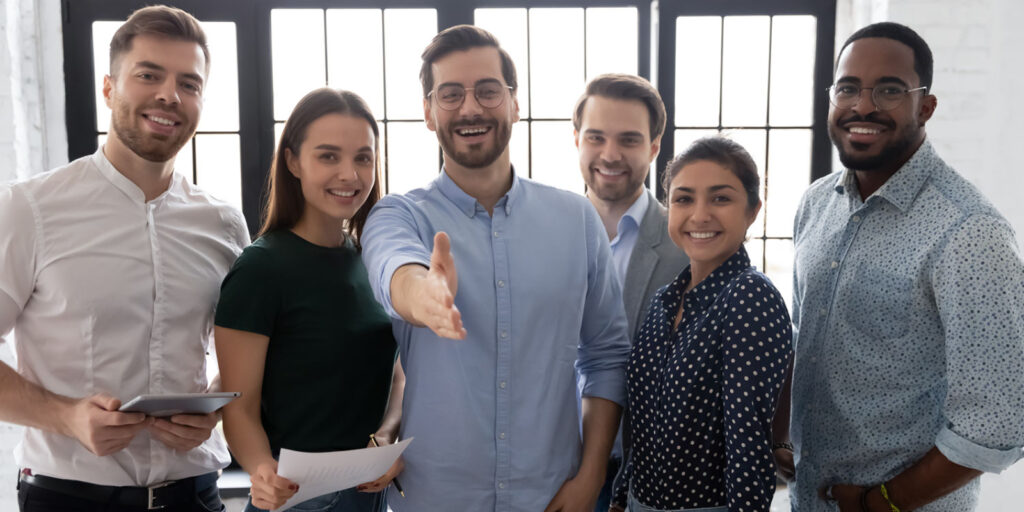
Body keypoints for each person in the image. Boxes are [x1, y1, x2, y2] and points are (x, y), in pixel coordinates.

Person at [360, 25, 631, 512]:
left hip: (552, 496)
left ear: (514, 104)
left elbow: (606, 356)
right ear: (427, 111)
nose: (470, 108)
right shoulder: (399, 213)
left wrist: (591, 476)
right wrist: (426, 295)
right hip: (435, 499)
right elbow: (393, 272)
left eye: (488, 91)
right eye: (450, 94)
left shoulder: (576, 219)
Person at [0, 5, 247, 511]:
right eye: (148, 75)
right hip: (68, 499)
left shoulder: (224, 224)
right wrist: (66, 416)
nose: (169, 95)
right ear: (109, 88)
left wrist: (216, 408)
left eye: (189, 83)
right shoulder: (28, 209)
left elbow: (248, 352)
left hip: (195, 497)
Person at [785, 21, 1024, 511]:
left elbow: (998, 421)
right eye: (848, 88)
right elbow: (801, 335)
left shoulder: (971, 233)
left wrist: (883, 503)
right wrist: (782, 441)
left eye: (889, 90)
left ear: (926, 107)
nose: (863, 105)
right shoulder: (815, 203)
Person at [214, 88, 402, 512]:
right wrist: (263, 470)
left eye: (363, 158)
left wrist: (386, 436)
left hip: (369, 493)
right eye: (328, 156)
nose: (350, 175)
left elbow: (396, 374)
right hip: (295, 496)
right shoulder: (260, 269)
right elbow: (238, 409)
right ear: (293, 161)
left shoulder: (373, 260)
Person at [611, 137, 792, 512]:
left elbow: (748, 447)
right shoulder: (665, 300)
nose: (699, 215)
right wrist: (619, 497)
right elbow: (642, 426)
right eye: (684, 198)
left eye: (721, 198)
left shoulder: (749, 297)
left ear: (753, 210)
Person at [570, 73, 689, 512]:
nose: (610, 155)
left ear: (655, 147)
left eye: (629, 140)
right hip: (548, 468)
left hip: (645, 478)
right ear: (577, 139)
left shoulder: (688, 247)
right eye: (596, 137)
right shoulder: (539, 233)